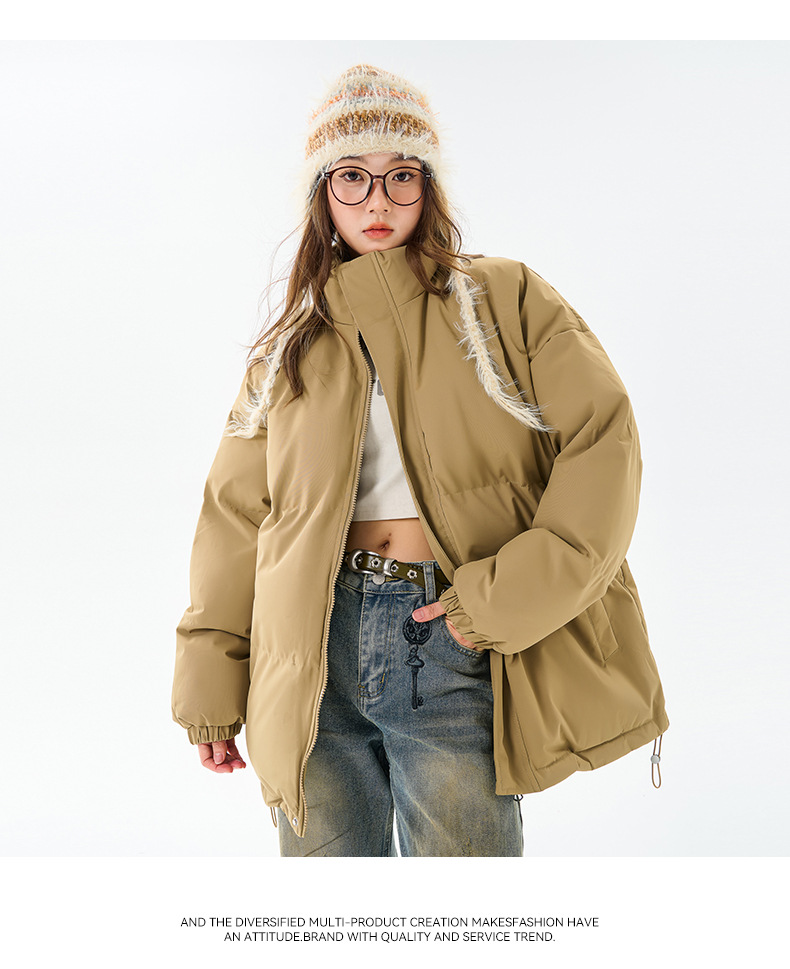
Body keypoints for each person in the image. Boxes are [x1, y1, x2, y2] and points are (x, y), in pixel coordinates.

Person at [171, 63, 669, 857]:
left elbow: (604, 445)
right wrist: (211, 680)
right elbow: (234, 515)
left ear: (428, 187)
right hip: (309, 653)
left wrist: (492, 605)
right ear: (322, 193)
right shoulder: (291, 347)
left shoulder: (505, 300)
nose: (377, 202)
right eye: (353, 177)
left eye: (401, 176)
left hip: (446, 632)